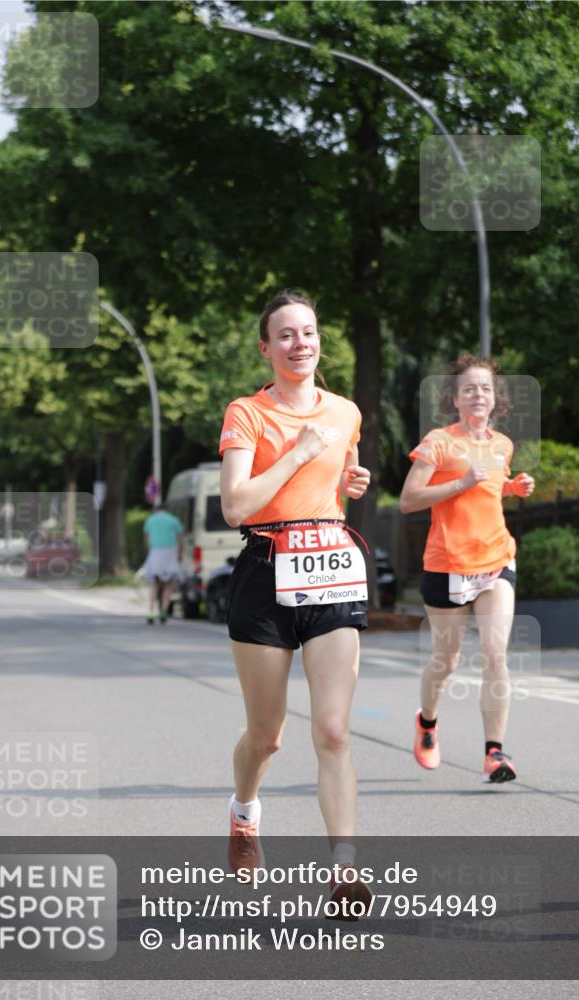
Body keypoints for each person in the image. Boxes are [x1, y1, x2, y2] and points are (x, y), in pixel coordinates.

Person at [219, 289, 372, 911]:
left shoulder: (345, 411)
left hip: (331, 569)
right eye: (285, 334)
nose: (299, 343)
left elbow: (341, 480)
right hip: (265, 572)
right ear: (266, 347)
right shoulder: (247, 414)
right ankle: (245, 812)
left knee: (334, 731)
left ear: (319, 341)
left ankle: (344, 871)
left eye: (307, 332)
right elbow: (236, 505)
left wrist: (349, 481)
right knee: (268, 735)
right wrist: (299, 453)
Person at [399, 354, 535, 784]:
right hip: (447, 564)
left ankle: (494, 753)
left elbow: (490, 491)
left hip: (496, 560)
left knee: (496, 655)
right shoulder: (438, 442)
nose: (479, 395)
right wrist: (461, 482)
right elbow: (408, 499)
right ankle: (428, 720)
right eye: (470, 388)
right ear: (455, 398)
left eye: (487, 389)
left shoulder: (502, 445)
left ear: (496, 400)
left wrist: (513, 487)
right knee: (447, 659)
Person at [142, 503, 184, 624]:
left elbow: (146, 538)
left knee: (154, 584)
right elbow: (180, 538)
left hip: (155, 552)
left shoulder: (150, 520)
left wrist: (149, 552)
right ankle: (164, 612)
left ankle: (150, 611)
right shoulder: (174, 520)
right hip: (170, 552)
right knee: (168, 585)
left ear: (157, 510)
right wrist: (180, 553)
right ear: (167, 510)